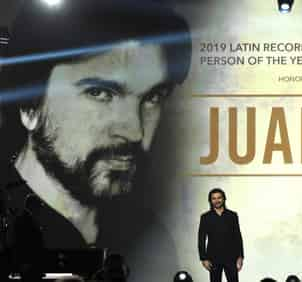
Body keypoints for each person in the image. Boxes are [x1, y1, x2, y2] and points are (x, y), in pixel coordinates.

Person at [0, 0, 191, 280]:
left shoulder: (150, 236)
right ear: (30, 105)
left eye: (152, 97)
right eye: (100, 93)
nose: (134, 131)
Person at [198, 188, 244, 282]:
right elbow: (201, 238)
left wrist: (240, 256)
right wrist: (203, 258)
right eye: (214, 198)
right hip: (213, 258)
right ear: (210, 201)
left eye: (219, 198)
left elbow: (238, 236)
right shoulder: (206, 217)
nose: (217, 200)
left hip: (231, 257)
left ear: (223, 199)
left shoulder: (232, 215)